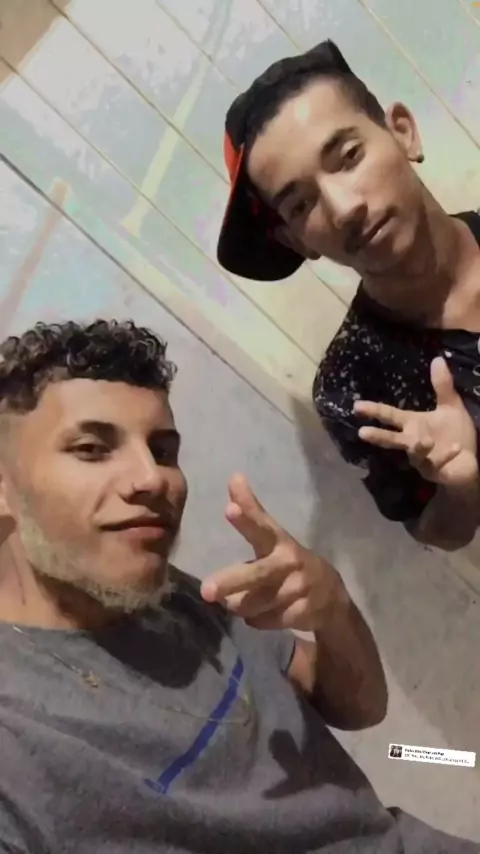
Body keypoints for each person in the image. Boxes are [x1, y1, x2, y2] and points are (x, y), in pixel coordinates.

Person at [0, 319, 477, 854]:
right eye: (91, 448)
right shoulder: (15, 734)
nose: (153, 478)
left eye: (163, 451)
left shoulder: (172, 595)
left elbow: (360, 708)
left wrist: (333, 609)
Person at [216, 39, 480, 553]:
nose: (343, 208)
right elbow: (438, 530)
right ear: (296, 240)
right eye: (301, 205)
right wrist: (460, 483)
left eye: (348, 157)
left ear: (402, 132)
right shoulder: (353, 384)